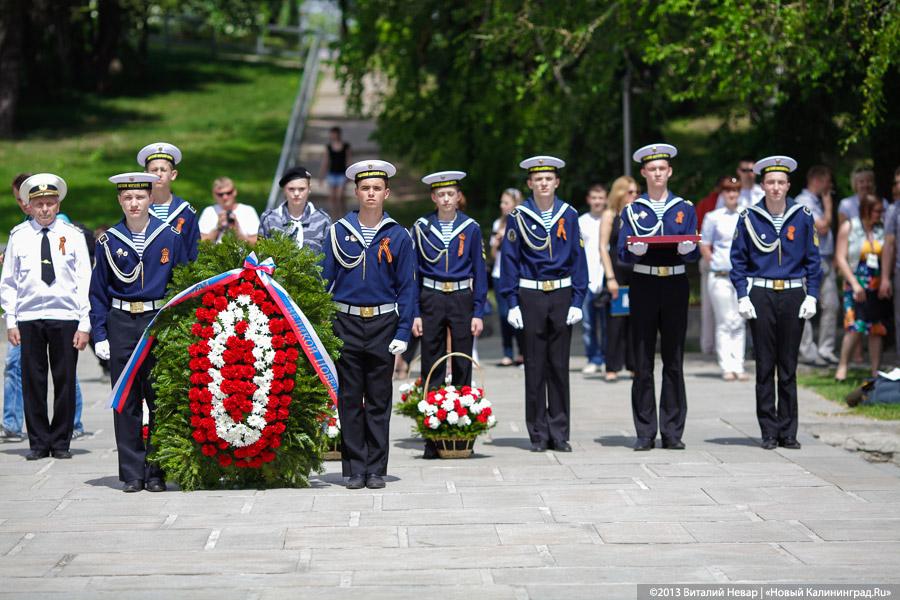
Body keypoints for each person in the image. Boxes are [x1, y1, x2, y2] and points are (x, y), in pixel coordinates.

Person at [89, 172, 189, 492]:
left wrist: (180, 328)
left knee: (158, 396)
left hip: (157, 321)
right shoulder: (109, 240)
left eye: (140, 197)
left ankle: (156, 471)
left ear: (150, 198)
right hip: (122, 322)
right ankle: (132, 472)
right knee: (126, 400)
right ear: (120, 200)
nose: (134, 203)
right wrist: (100, 334)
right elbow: (98, 292)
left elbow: (183, 282)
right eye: (127, 198)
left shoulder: (169, 236)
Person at [321, 159, 416, 489]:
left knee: (378, 399)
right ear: (356, 191)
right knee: (349, 399)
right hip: (345, 321)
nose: (371, 194)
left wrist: (404, 331)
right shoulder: (337, 233)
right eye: (365, 188)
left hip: (383, 324)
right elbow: (324, 283)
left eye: (377, 188)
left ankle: (376, 468)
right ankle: (353, 468)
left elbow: (407, 287)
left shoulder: (399, 236)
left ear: (386, 193)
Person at [730, 155, 821, 450]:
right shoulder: (749, 218)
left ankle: (788, 431)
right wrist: (742, 294)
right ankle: (768, 430)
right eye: (770, 182)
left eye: (781, 182)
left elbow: (813, 261)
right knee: (765, 365)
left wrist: (812, 294)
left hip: (794, 293)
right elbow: (738, 260)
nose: (776, 188)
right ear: (762, 185)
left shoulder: (803, 215)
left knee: (789, 365)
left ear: (788, 184)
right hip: (762, 294)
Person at [499, 156, 588, 453]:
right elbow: (509, 261)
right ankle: (538, 433)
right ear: (530, 183)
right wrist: (511, 301)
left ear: (557, 182)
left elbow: (579, 258)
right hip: (531, 295)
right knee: (534, 366)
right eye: (538, 179)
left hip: (561, 294)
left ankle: (560, 432)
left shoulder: (569, 214)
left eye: (548, 178)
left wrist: (578, 298)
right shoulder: (518, 217)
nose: (544, 183)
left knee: (559, 366)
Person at [0, 174, 91, 460]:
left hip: (64, 315)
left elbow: (85, 281)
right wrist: (11, 321)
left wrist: (84, 323)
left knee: (64, 379)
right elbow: (9, 282)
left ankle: (61, 441)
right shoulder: (19, 236)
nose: (44, 209)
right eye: (38, 204)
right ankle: (39, 441)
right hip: (29, 317)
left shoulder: (73, 235)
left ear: (58, 203)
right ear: (28, 205)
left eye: (50, 203)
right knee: (33, 380)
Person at [618, 143, 699, 451]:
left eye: (661, 169)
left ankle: (673, 430)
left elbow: (690, 243)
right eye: (651, 169)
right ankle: (645, 431)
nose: (657, 174)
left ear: (669, 172)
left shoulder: (684, 208)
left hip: (675, 284)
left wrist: (689, 250)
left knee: (674, 360)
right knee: (642, 360)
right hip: (644, 283)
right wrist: (631, 250)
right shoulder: (633, 209)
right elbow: (621, 250)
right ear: (643, 173)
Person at [410, 171, 487, 458]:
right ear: (433, 197)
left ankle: (463, 429)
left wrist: (478, 310)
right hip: (430, 296)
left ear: (458, 197)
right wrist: (415, 312)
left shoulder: (471, 228)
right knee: (432, 362)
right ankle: (431, 434)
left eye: (450, 194)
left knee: (462, 361)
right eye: (440, 194)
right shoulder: (421, 227)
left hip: (461, 297)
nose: (445, 199)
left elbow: (480, 272)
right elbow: (413, 273)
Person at [834, 194, 890, 380]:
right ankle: (842, 368)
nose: (880, 215)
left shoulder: (882, 229)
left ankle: (875, 371)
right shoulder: (849, 227)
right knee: (854, 326)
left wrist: (884, 280)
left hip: (876, 284)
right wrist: (855, 284)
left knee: (876, 328)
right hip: (855, 283)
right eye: (877, 211)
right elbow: (840, 259)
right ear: (866, 210)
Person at [700, 176, 747, 380]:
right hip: (720, 275)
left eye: (735, 190)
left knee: (739, 320)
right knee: (724, 320)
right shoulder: (713, 217)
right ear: (722, 193)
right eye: (728, 190)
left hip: (741, 275)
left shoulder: (746, 215)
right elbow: (704, 243)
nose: (731, 194)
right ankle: (726, 365)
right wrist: (714, 262)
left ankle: (739, 364)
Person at [796, 165, 839, 366]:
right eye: (828, 181)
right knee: (807, 306)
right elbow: (822, 227)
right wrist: (829, 204)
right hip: (810, 261)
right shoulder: (804, 202)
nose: (830, 186)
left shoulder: (816, 202)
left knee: (831, 304)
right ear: (817, 181)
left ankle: (825, 349)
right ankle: (807, 350)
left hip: (826, 258)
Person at [1, 173, 32, 443]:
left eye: (24, 196)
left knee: (60, 368)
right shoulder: (21, 228)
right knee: (15, 365)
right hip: (24, 308)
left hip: (52, 310)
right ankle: (11, 422)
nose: (22, 203)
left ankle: (74, 419)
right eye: (18, 199)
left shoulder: (63, 226)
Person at [599, 176, 639, 382]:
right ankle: (612, 366)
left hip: (637, 270)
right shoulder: (610, 215)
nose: (635, 196)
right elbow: (603, 247)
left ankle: (634, 364)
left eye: (636, 192)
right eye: (630, 192)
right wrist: (610, 277)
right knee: (615, 321)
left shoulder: (640, 213)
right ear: (620, 193)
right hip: (617, 271)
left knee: (636, 319)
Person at [137, 142, 200, 261]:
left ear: (173, 174)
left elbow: (194, 252)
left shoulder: (185, 211)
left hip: (180, 276)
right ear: (146, 175)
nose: (159, 174)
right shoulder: (138, 209)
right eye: (154, 170)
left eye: (163, 170)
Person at [258, 165, 332, 253]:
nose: (296, 193)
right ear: (284, 190)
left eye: (301, 189)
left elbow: (328, 257)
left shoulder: (323, 220)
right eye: (291, 189)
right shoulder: (269, 219)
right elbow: (261, 254)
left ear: (309, 189)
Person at [490, 188, 524, 366]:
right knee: (503, 315)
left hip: (518, 276)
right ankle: (507, 352)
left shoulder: (522, 223)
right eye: (502, 202)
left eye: (506, 203)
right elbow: (493, 255)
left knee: (519, 314)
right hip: (499, 274)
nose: (502, 206)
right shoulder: (497, 224)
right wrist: (497, 243)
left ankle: (522, 351)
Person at [578, 184, 608, 374]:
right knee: (588, 323)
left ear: (605, 199)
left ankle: (605, 358)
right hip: (586, 279)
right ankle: (592, 358)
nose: (597, 201)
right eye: (594, 197)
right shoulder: (581, 221)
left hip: (606, 277)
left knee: (606, 323)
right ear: (589, 200)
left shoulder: (611, 219)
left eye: (601, 197)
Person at [199, 177, 260, 244]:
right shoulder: (209, 211)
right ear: (214, 194)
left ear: (235, 192)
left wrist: (236, 229)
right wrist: (218, 228)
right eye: (220, 194)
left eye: (228, 193)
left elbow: (256, 244)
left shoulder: (248, 211)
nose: (225, 197)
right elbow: (200, 243)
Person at [878, 166, 900, 351]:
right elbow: (889, 245)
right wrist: (885, 278)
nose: (898, 186)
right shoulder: (893, 210)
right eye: (896, 182)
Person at [320, 126, 352, 218]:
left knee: (340, 196)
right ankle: (334, 217)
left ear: (339, 134)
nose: (333, 136)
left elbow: (348, 161)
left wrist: (349, 175)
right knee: (332, 198)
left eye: (335, 134)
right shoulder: (328, 147)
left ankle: (343, 215)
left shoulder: (346, 146)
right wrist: (321, 176)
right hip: (331, 174)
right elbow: (325, 162)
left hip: (342, 174)